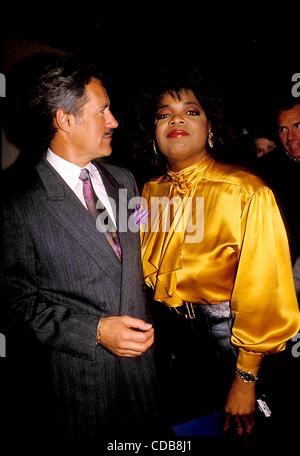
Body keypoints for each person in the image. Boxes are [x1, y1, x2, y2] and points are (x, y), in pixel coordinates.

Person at [0, 53, 164, 445]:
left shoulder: (124, 181)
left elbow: (129, 261)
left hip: (143, 383)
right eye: (103, 111)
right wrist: (94, 331)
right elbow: (13, 302)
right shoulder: (16, 200)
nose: (115, 122)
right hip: (75, 393)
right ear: (65, 120)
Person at [133, 68, 300, 438]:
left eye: (190, 111)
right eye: (164, 114)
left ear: (210, 128)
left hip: (230, 346)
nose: (176, 119)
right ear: (154, 133)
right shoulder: (148, 193)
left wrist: (245, 376)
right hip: (168, 347)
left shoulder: (245, 191)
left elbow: (265, 293)